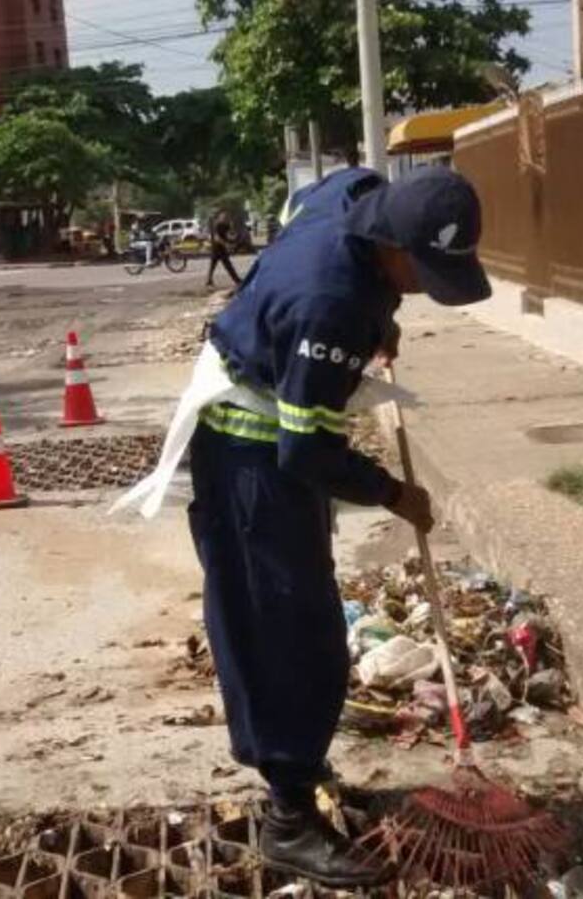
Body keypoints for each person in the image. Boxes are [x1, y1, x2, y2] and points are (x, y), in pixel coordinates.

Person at [187, 165, 491, 886]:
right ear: (392, 246)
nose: (426, 287)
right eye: (423, 273)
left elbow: (308, 200)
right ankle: (288, 818)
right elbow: (306, 451)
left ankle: (298, 771)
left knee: (300, 622)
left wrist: (381, 322)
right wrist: (392, 492)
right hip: (251, 455)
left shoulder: (352, 196)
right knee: (287, 634)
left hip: (259, 400)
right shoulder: (329, 303)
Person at [205, 210, 241, 288]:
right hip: (217, 247)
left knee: (213, 265)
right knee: (227, 265)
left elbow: (229, 235)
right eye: (224, 216)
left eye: (227, 217)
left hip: (221, 247)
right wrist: (226, 244)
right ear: (220, 217)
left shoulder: (226, 225)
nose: (225, 218)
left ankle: (208, 281)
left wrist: (232, 234)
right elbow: (216, 238)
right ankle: (237, 280)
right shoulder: (217, 225)